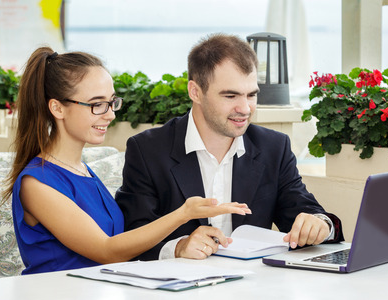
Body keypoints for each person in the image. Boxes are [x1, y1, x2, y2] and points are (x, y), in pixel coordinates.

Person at [2, 47, 251, 275]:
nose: (110, 114)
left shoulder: (82, 171)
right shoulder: (37, 184)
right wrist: (183, 213)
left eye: (111, 102)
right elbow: (107, 250)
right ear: (57, 108)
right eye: (97, 104)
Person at [115, 33, 344, 261]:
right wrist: (177, 248)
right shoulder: (147, 150)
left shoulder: (274, 147)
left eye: (251, 95)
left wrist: (320, 225)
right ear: (195, 92)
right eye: (231, 95)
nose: (245, 108)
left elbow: (304, 211)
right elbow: (131, 236)